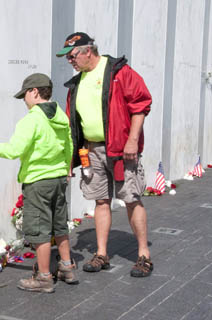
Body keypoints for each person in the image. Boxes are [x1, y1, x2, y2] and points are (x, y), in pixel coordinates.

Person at [0, 73, 78, 292]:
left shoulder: (32, 119)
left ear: (34, 92)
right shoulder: (61, 115)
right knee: (59, 225)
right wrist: (66, 169)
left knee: (39, 230)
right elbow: (69, 145)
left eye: (25, 96)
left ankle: (44, 277)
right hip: (58, 179)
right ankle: (67, 266)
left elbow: (13, 151)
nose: (24, 101)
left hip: (38, 181)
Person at [56, 32, 153, 277]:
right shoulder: (77, 83)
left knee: (131, 198)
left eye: (72, 55)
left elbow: (140, 105)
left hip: (121, 149)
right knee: (100, 200)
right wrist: (70, 159)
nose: (70, 61)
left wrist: (132, 140)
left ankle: (143, 255)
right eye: (67, 57)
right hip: (91, 149)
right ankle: (102, 253)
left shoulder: (119, 72)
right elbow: (72, 125)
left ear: (88, 50)